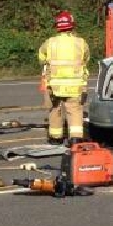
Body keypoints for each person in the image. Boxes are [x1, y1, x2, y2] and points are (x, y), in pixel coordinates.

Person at [38, 11, 90, 145]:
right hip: (75, 85)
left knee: (55, 109)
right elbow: (86, 59)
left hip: (54, 85)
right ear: (72, 26)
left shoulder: (50, 43)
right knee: (74, 110)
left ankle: (56, 138)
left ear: (57, 26)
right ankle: (76, 138)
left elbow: (41, 58)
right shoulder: (81, 43)